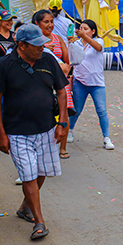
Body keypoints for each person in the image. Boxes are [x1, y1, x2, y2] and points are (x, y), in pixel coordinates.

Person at [0, 23, 69, 239]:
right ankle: (40, 222)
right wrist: (1, 134)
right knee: (28, 175)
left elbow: (61, 91)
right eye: (36, 45)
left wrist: (62, 122)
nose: (41, 48)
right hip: (17, 132)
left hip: (46, 128)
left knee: (42, 172)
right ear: (22, 46)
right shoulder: (4, 65)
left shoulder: (48, 59)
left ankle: (25, 206)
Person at [33, 10, 74, 159]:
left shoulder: (57, 39)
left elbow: (67, 62)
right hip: (42, 83)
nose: (50, 25)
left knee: (64, 113)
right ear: (37, 24)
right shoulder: (34, 41)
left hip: (60, 82)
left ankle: (62, 147)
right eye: (46, 22)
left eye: (51, 21)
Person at [67, 19, 113, 150]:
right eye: (81, 28)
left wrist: (84, 37)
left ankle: (106, 137)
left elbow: (98, 49)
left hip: (97, 84)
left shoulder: (99, 41)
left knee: (102, 110)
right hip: (80, 82)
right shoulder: (76, 43)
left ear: (93, 31)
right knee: (76, 110)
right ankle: (70, 130)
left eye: (86, 28)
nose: (82, 30)